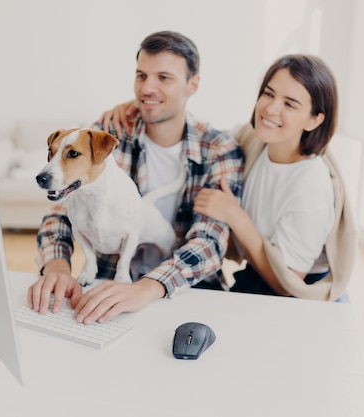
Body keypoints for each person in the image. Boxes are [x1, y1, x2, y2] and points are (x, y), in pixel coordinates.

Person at [27, 31, 244, 323]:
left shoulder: (219, 150)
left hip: (189, 291)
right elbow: (62, 206)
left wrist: (149, 287)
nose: (147, 88)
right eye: (141, 75)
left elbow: (210, 241)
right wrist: (57, 266)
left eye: (163, 78)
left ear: (193, 85)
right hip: (108, 288)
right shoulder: (109, 128)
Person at [104, 54, 358, 301]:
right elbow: (204, 138)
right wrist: (140, 108)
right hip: (256, 273)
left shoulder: (310, 186)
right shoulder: (254, 140)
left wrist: (235, 216)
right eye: (268, 94)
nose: (270, 108)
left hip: (297, 293)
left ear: (315, 120)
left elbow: (288, 284)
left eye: (290, 104)